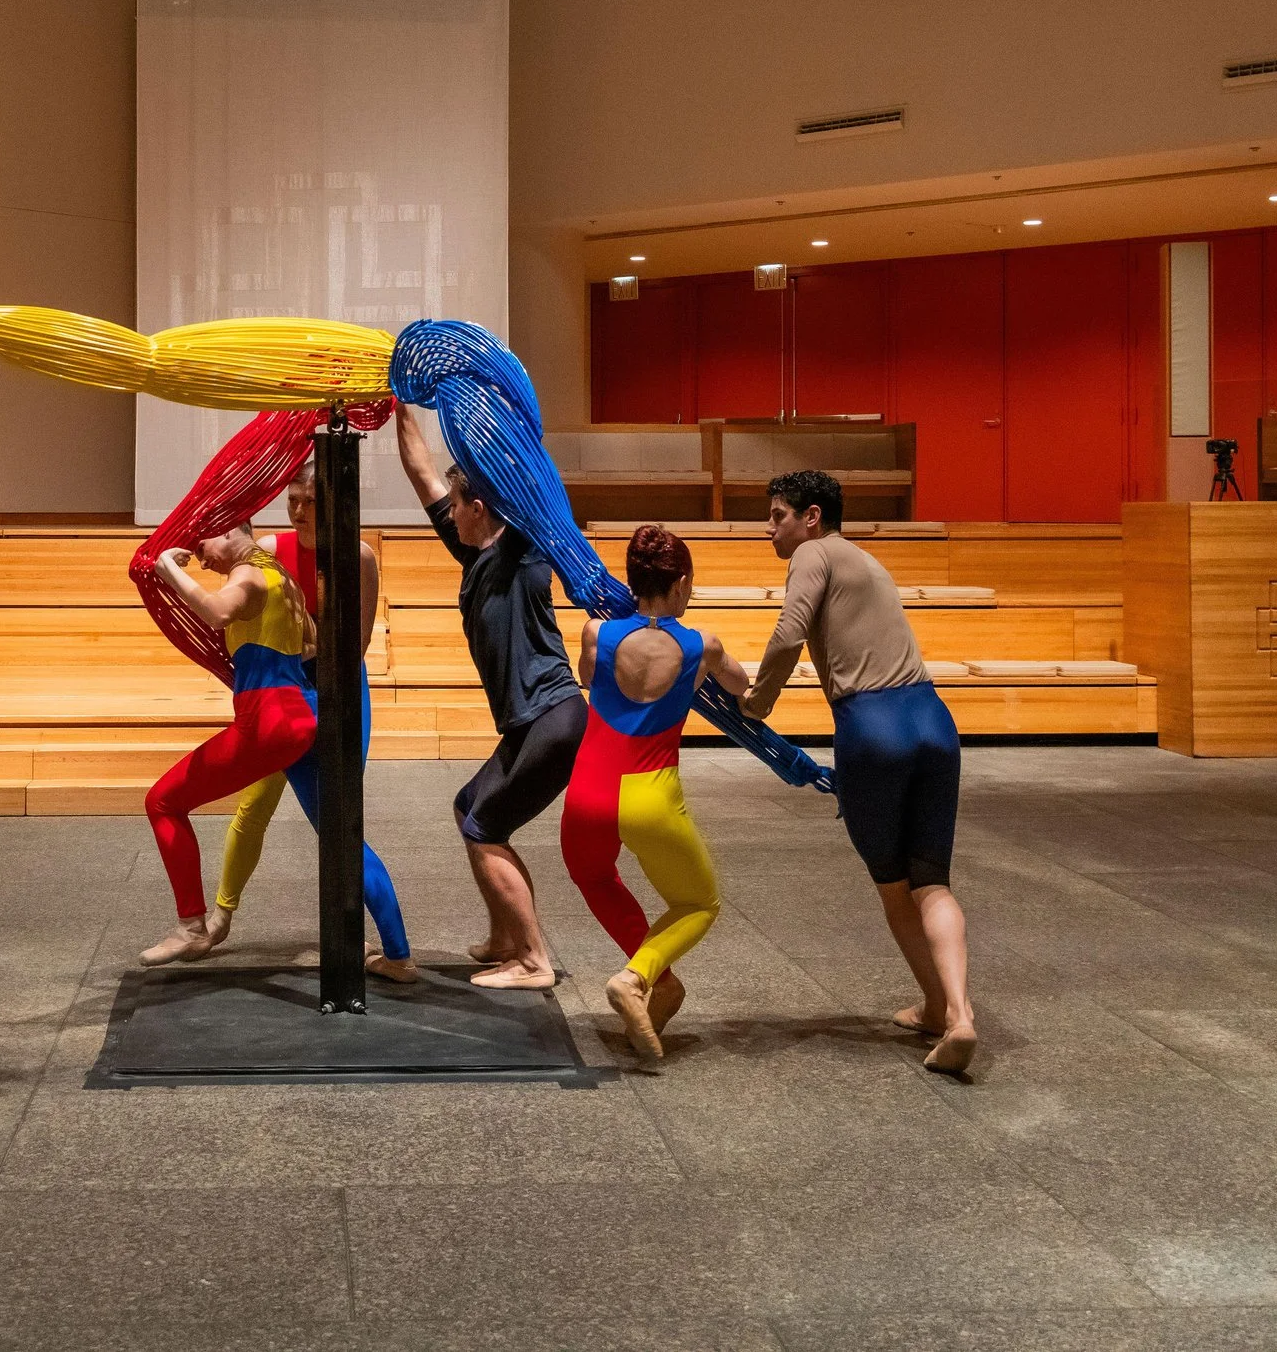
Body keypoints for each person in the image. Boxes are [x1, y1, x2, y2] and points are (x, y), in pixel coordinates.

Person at [741, 469, 976, 1074]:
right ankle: (957, 1014)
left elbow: (789, 632)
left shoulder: (813, 554)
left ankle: (939, 1008)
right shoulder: (870, 563)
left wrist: (758, 701)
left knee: (894, 887)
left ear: (811, 517)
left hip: (873, 729)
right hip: (934, 721)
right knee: (934, 882)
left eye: (778, 516)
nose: (770, 529)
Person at [137, 524, 416, 978]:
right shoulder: (282, 578)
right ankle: (399, 956)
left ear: (231, 529)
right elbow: (311, 646)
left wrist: (167, 568)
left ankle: (192, 926)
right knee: (340, 834)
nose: (201, 558)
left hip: (267, 723)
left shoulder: (247, 576)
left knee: (163, 802)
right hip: (303, 717)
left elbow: (215, 613)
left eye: (203, 545)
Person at [393, 402, 588, 989]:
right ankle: (505, 936)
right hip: (530, 722)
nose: (447, 514)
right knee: (468, 806)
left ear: (479, 508)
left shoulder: (522, 549)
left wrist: (494, 419)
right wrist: (400, 401)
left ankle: (533, 960)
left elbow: (529, 476)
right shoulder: (472, 551)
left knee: (484, 826)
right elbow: (422, 470)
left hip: (553, 717)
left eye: (456, 506)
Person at [208, 463, 412, 974]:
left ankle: (381, 949)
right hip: (288, 695)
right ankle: (219, 917)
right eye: (292, 500)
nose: (298, 511)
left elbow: (357, 643)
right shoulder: (270, 550)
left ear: (333, 502)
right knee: (260, 806)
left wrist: (304, 655)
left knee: (339, 823)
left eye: (311, 501)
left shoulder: (358, 556)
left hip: (337, 696)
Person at [562, 525, 742, 1060]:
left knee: (596, 878)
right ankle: (637, 976)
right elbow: (741, 687)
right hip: (651, 796)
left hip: (587, 791)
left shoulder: (597, 632)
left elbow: (587, 677)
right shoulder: (702, 645)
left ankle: (662, 985)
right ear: (681, 583)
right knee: (699, 902)